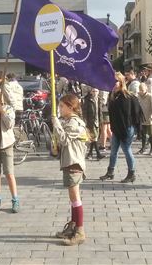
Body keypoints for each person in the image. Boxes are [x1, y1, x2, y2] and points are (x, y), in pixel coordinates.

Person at [52, 94, 89, 245]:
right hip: (69, 161)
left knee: (75, 197)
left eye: (61, 106)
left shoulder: (74, 123)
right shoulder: (68, 121)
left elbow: (65, 140)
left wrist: (56, 124)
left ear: (70, 107)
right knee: (73, 198)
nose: (59, 109)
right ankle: (73, 226)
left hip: (74, 162)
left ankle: (80, 231)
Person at [99, 72, 143, 183]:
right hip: (116, 128)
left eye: (116, 81)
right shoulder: (112, 95)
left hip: (126, 128)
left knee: (127, 150)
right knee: (113, 150)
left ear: (121, 82)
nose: (114, 83)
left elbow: (136, 113)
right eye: (112, 81)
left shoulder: (128, 96)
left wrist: (134, 127)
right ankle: (110, 172)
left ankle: (131, 173)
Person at [83, 87, 104, 161]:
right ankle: (98, 154)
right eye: (93, 91)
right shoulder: (88, 100)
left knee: (94, 138)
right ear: (91, 92)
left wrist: (101, 121)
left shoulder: (99, 100)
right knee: (94, 138)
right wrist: (85, 122)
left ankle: (90, 153)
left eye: (96, 91)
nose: (95, 92)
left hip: (98, 121)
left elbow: (100, 112)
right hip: (90, 122)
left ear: (98, 92)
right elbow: (85, 112)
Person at [137, 82, 152, 155]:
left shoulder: (150, 96)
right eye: (140, 90)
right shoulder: (138, 96)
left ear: (146, 89)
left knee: (151, 134)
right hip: (142, 118)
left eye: (142, 90)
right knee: (143, 134)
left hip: (150, 118)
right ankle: (143, 148)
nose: (141, 91)